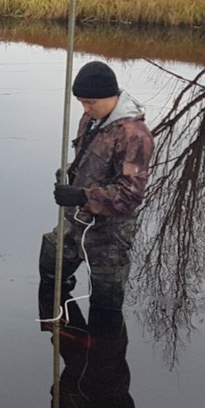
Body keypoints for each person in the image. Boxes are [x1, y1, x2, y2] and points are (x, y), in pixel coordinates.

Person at [40, 61, 154, 314]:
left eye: (90, 102)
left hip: (109, 234)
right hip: (75, 222)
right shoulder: (91, 119)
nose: (85, 108)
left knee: (105, 307)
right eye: (81, 102)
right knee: (50, 267)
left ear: (110, 96)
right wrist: (68, 177)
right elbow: (90, 160)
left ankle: (103, 349)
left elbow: (131, 195)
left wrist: (81, 195)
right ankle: (66, 336)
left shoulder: (134, 135)